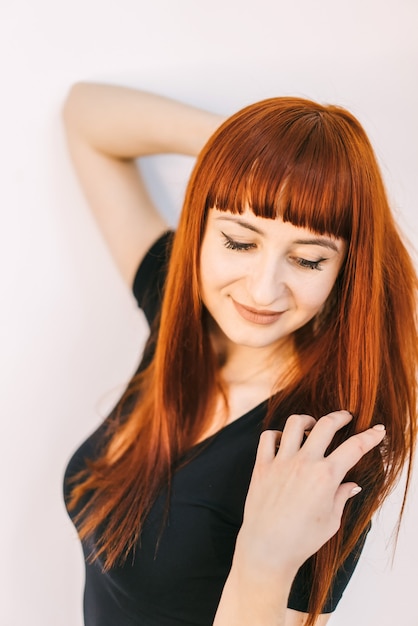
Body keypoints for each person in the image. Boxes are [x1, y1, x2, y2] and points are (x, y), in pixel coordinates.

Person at [62, 83, 417, 626]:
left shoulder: (322, 450)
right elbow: (85, 116)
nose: (262, 290)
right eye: (240, 242)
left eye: (307, 260)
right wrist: (260, 162)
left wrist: (264, 562)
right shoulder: (179, 310)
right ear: (202, 229)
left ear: (344, 272)